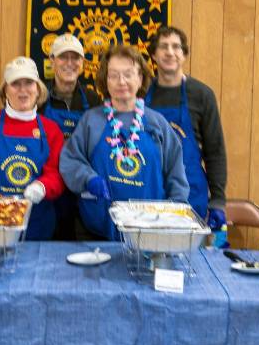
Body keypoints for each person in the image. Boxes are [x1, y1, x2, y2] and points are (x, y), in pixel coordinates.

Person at [60, 45, 189, 241]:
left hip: (149, 232)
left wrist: (172, 216)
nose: (121, 82)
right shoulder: (91, 121)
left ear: (140, 78)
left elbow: (176, 174)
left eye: (128, 74)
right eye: (114, 75)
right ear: (105, 80)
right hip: (97, 231)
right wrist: (88, 178)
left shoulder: (157, 123)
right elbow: (70, 160)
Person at [0, 56, 65, 240]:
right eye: (16, 84)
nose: (23, 90)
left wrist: (42, 186)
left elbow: (57, 173)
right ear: (5, 90)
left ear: (38, 90)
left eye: (29, 83)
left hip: (37, 224)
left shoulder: (51, 130)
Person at [145, 26, 228, 247]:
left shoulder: (202, 95)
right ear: (153, 54)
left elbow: (215, 151)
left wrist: (218, 201)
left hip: (191, 195)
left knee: (191, 263)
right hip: (149, 194)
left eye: (176, 47)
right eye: (163, 46)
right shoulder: (141, 93)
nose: (170, 52)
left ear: (184, 54)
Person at [39, 33, 100, 240]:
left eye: (75, 58)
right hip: (47, 183)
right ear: (52, 61)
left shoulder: (93, 99)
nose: (70, 63)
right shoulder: (38, 98)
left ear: (83, 63)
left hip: (81, 187)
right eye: (63, 57)